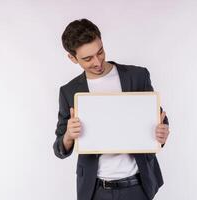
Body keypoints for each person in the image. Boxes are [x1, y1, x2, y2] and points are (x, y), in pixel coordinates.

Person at [53, 19, 170, 200]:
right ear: (72, 58)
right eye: (87, 58)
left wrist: (162, 133)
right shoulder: (69, 91)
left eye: (100, 52)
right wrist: (69, 135)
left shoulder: (136, 76)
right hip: (96, 190)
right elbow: (59, 148)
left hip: (138, 186)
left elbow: (159, 121)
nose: (98, 62)